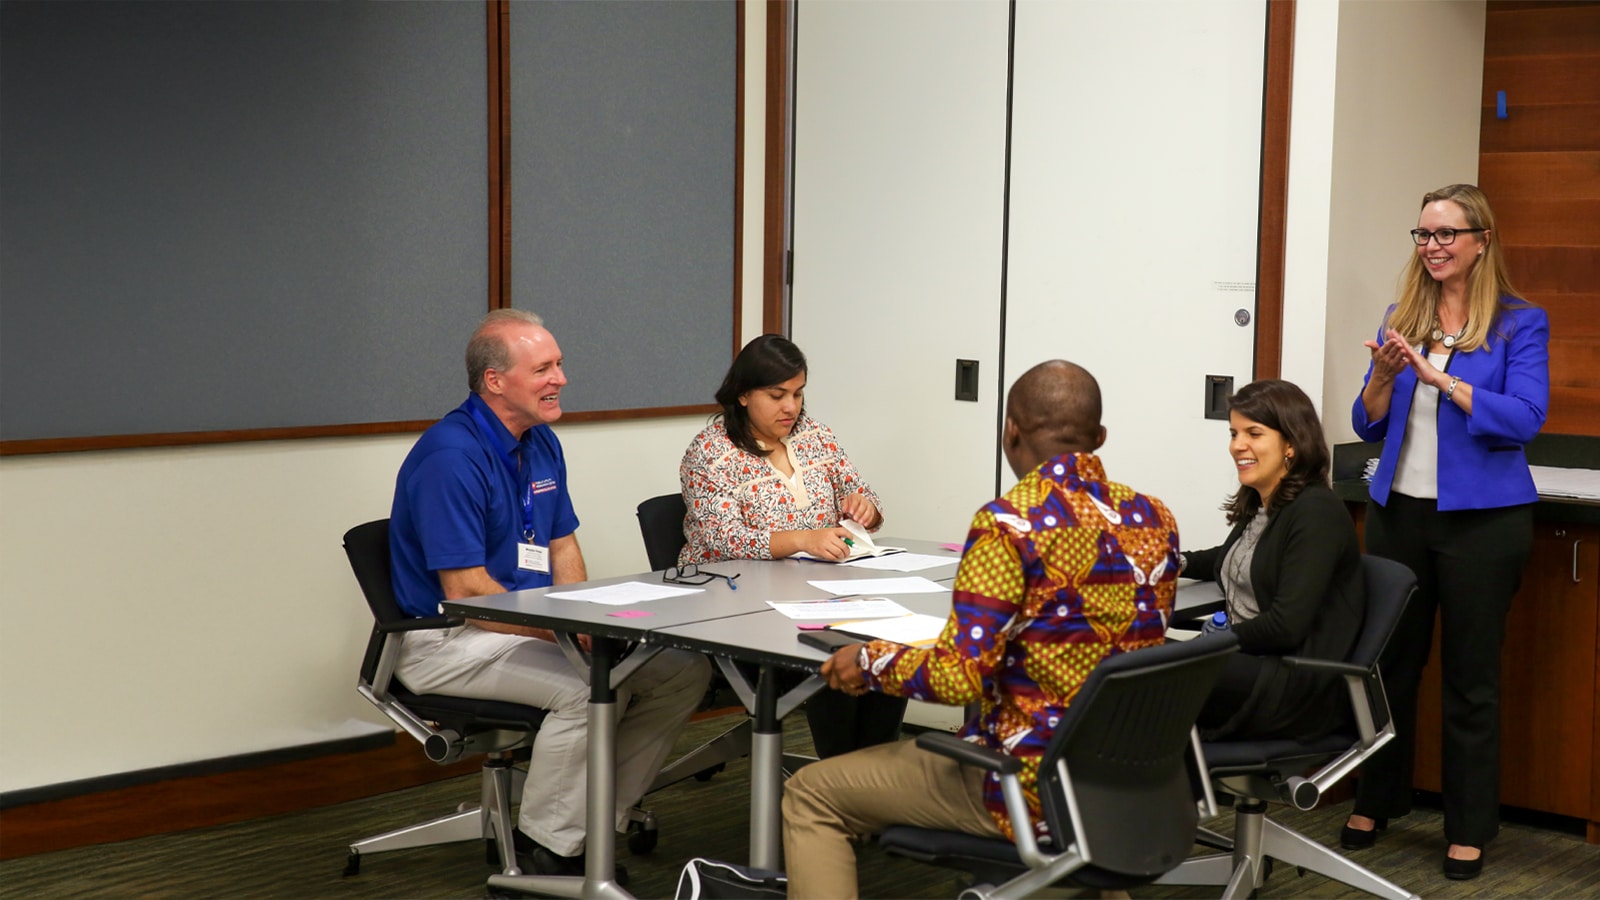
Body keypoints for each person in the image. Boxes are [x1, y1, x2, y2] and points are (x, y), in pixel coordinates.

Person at [780, 360, 1181, 900]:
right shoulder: (1154, 518)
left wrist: (868, 661)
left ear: (1009, 431)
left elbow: (960, 679)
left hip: (1025, 781)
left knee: (810, 794)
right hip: (1123, 778)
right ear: (1100, 438)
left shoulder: (1008, 525)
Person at [388, 309, 711, 876]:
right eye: (543, 368)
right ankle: (548, 851)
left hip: (525, 625)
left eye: (559, 364)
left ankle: (596, 822)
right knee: (591, 686)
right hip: (448, 638)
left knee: (682, 669)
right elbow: (468, 592)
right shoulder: (450, 457)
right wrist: (570, 633)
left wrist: (585, 616)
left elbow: (562, 546)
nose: (560, 378)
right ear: (495, 381)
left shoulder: (540, 442)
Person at [1342, 184, 1549, 880]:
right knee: (1387, 667)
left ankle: (1467, 828)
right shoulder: (1402, 318)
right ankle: (1378, 799)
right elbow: (1366, 421)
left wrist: (1440, 379)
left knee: (1469, 679)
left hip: (1483, 523)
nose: (1431, 246)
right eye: (1423, 234)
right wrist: (1383, 374)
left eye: (1446, 234)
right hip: (1399, 512)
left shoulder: (1521, 324)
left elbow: (1524, 418)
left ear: (1480, 241)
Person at [679, 334, 904, 758]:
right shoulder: (710, 452)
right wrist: (803, 539)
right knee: (835, 654)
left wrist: (865, 506)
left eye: (798, 394)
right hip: (736, 606)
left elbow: (861, 490)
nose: (790, 407)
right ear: (743, 394)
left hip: (818, 593)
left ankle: (871, 775)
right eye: (776, 395)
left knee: (883, 645)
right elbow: (721, 536)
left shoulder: (814, 435)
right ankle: (839, 783)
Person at [1179, 379, 1363, 742]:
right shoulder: (1263, 503)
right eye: (1234, 433)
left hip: (1289, 684)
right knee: (1131, 665)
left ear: (1291, 444)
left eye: (1254, 433)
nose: (1237, 446)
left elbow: (1285, 626)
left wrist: (1215, 642)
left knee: (1136, 679)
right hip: (1253, 665)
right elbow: (1237, 558)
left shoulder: (1315, 512)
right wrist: (1178, 562)